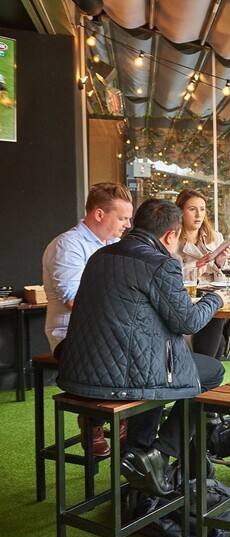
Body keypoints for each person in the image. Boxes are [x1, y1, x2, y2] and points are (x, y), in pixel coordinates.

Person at [56, 198, 227, 497]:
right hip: (119, 378)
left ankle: (137, 454)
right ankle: (160, 453)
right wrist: (215, 299)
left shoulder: (100, 255)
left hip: (79, 369)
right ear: (171, 236)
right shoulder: (160, 263)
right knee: (210, 371)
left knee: (155, 366)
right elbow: (188, 322)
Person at [42, 182, 133, 456]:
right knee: (122, 350)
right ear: (99, 215)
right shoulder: (68, 245)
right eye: (122, 218)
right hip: (70, 336)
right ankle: (92, 418)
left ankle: (132, 418)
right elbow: (73, 300)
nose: (127, 225)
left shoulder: (116, 245)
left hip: (113, 332)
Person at [174, 189, 230, 359]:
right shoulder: (172, 240)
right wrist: (195, 269)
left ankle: (203, 379)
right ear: (181, 211)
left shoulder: (215, 237)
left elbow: (223, 281)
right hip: (188, 302)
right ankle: (202, 377)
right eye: (192, 209)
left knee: (218, 336)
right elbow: (169, 278)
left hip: (215, 299)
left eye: (202, 209)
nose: (198, 214)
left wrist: (220, 263)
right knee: (216, 339)